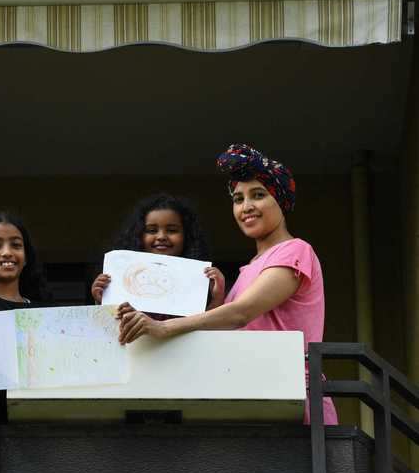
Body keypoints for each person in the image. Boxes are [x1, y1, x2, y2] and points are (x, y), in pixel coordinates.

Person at [118, 144, 338, 425]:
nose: (246, 207)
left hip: (295, 404)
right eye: (238, 199)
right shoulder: (250, 268)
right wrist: (218, 300)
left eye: (258, 195)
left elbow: (241, 314)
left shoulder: (295, 251)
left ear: (280, 201)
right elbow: (234, 325)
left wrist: (161, 327)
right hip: (257, 396)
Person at [90, 193, 225, 314]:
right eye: (152, 230)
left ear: (187, 236)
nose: (161, 236)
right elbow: (109, 328)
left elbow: (207, 327)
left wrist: (217, 298)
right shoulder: (122, 278)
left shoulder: (201, 280)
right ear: (139, 235)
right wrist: (102, 299)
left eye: (172, 230)